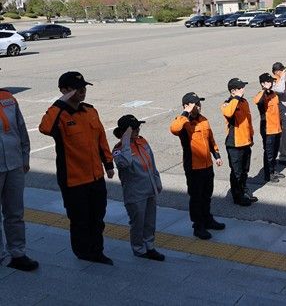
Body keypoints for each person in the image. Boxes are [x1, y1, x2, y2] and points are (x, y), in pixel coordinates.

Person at [39, 72, 115, 264]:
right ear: (64, 91)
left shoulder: (90, 111)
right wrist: (60, 102)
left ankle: (97, 251)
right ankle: (83, 253)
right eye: (76, 88)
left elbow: (101, 139)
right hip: (74, 180)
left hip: (96, 177)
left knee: (97, 218)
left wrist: (108, 163)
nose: (82, 91)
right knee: (80, 220)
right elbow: (45, 128)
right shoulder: (59, 115)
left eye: (83, 87)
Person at [169, 92, 225, 240]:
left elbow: (210, 139)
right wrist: (185, 112)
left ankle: (208, 220)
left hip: (207, 165)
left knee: (207, 195)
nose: (199, 106)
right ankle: (198, 226)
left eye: (199, 103)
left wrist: (217, 155)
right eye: (195, 104)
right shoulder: (183, 122)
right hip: (193, 167)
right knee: (196, 198)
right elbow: (174, 129)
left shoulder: (203, 120)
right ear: (187, 106)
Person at [112, 115, 164, 261]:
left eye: (137, 127)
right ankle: (139, 249)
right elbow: (125, 163)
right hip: (135, 194)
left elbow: (151, 162)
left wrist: (157, 181)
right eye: (134, 129)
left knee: (150, 222)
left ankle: (150, 247)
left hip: (149, 189)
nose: (137, 130)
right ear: (125, 132)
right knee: (138, 223)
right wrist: (126, 141)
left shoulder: (142, 141)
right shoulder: (119, 150)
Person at [0, 83, 39, 271]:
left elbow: (21, 128)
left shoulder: (8, 98)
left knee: (15, 212)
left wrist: (25, 156)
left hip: (14, 164)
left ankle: (17, 253)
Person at [222, 78, 257, 206]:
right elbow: (228, 113)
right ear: (233, 91)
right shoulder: (227, 104)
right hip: (234, 144)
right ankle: (237, 197)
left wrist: (251, 137)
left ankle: (243, 191)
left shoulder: (244, 102)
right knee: (236, 172)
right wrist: (236, 98)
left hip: (245, 142)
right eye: (240, 88)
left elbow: (248, 121)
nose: (243, 89)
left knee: (244, 170)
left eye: (243, 87)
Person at [254, 74, 284, 184]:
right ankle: (268, 174)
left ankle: (273, 170)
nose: (271, 83)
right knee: (269, 153)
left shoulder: (274, 94)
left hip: (277, 128)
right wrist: (264, 90)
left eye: (272, 81)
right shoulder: (261, 96)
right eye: (269, 82)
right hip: (268, 129)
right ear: (263, 83)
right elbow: (257, 101)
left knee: (275, 151)